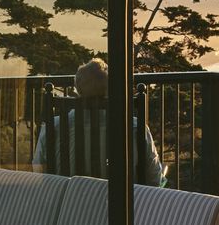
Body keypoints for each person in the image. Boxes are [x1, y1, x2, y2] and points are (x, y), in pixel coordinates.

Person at [32, 58, 166, 185]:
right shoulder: (134, 127)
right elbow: (155, 179)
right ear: (109, 89)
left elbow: (39, 174)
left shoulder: (53, 127)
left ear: (77, 88)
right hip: (120, 208)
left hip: (70, 206)